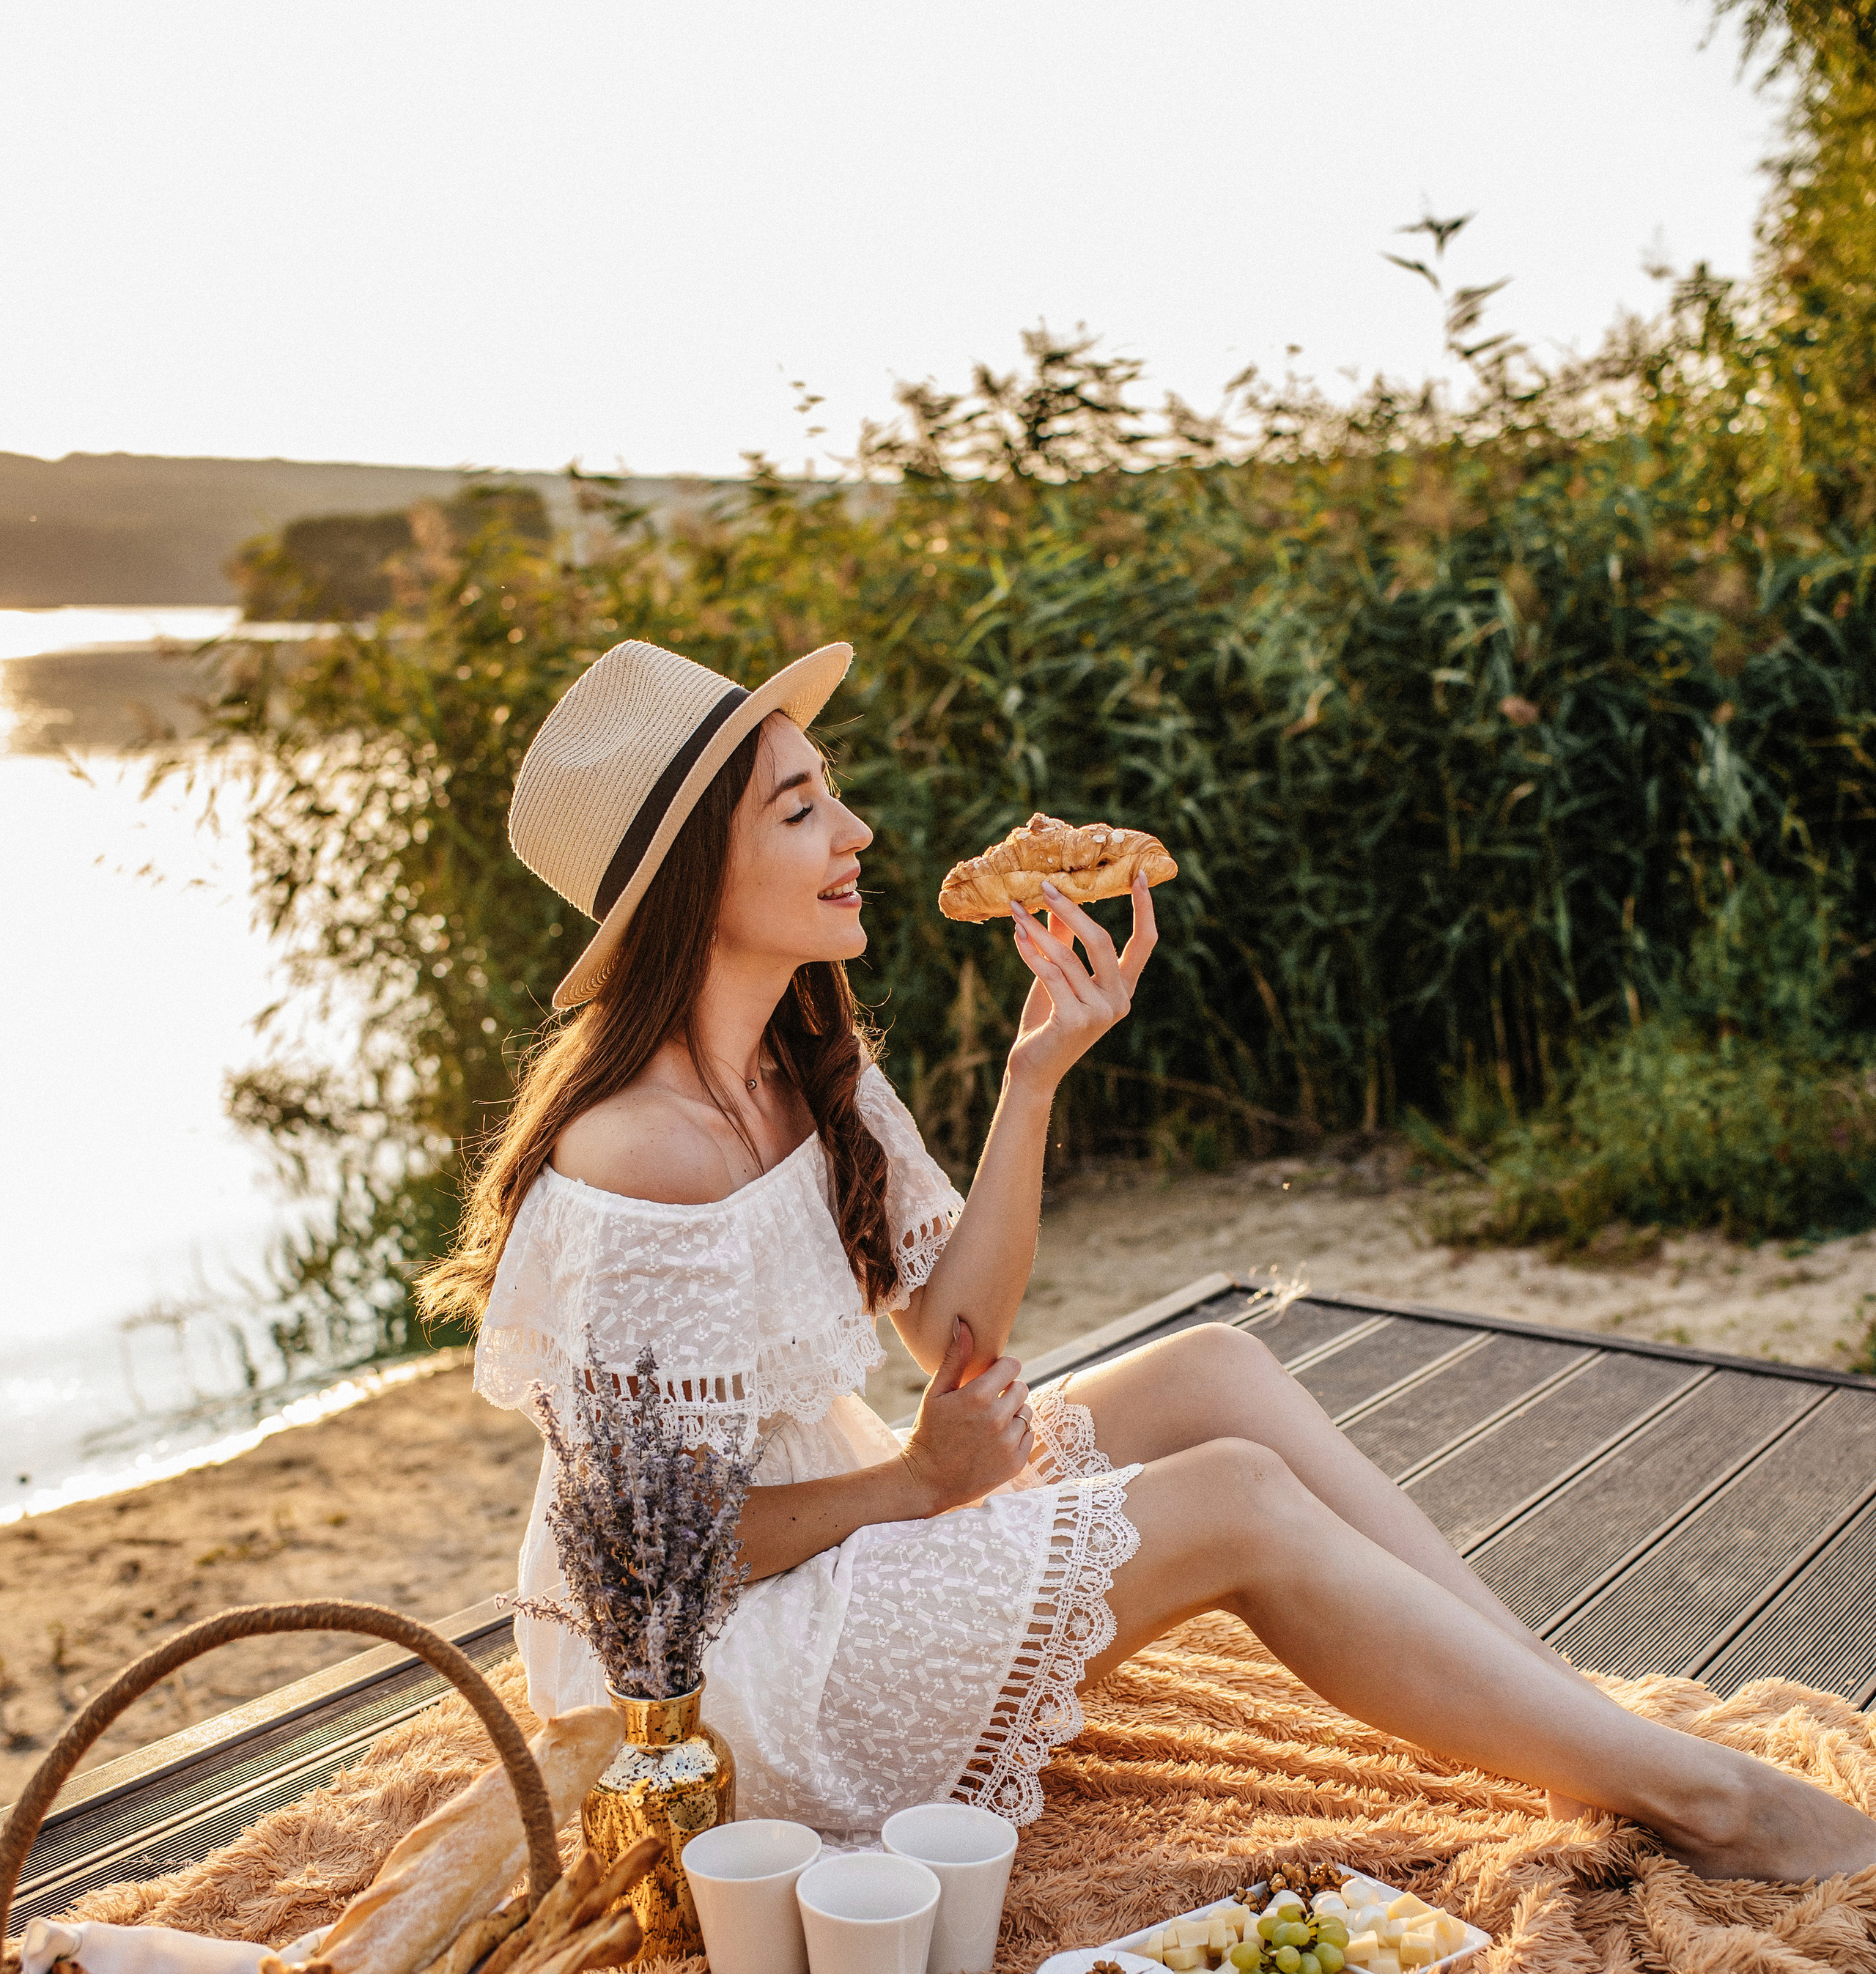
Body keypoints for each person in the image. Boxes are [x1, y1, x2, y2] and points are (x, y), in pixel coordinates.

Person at [422, 636, 1876, 1885]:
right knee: (1234, 1499)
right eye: (803, 810)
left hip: (851, 1533)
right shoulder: (641, 1154)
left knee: (1213, 1369)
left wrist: (1036, 1075)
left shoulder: (809, 1067)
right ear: (693, 877)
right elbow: (647, 1566)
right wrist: (919, 1485)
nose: (857, 831)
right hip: (709, 1686)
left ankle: (1570, 1723)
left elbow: (960, 1346)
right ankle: (1705, 1801)